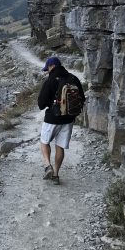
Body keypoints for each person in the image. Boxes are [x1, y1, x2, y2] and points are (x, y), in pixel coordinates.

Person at [38, 56, 85, 184]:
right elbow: (82, 98)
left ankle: (48, 166)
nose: (47, 71)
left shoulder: (50, 80)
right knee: (60, 146)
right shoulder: (73, 78)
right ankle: (56, 175)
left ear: (51, 66)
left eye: (47, 68)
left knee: (44, 142)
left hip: (52, 118)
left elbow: (41, 104)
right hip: (69, 119)